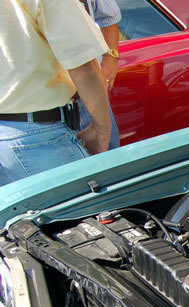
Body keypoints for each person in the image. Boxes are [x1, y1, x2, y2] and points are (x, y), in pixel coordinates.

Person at [0, 0, 111, 185]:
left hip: (26, 134)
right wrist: (102, 128)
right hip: (35, 138)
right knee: (82, 203)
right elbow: (83, 65)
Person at [77, 0, 122, 150]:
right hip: (42, 107)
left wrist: (110, 58)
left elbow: (108, 15)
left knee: (108, 160)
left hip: (88, 93)